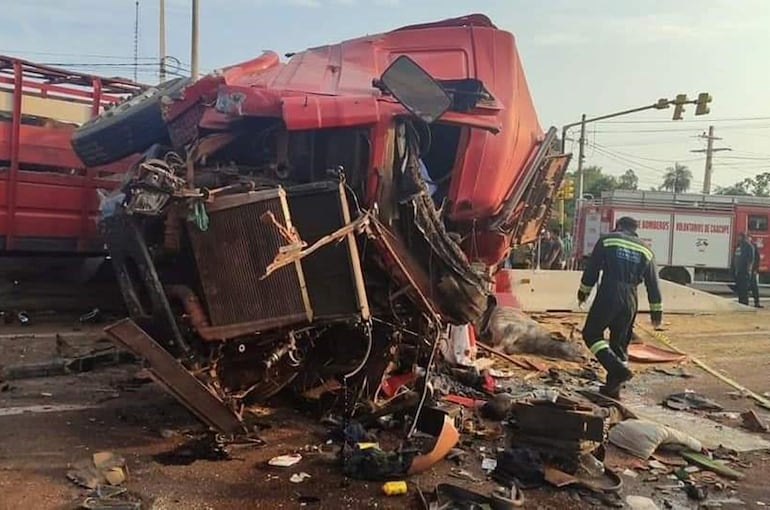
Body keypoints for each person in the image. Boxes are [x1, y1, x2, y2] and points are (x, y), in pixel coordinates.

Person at [577, 216, 662, 400]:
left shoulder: (607, 239)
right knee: (620, 344)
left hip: (610, 291)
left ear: (618, 226)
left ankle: (617, 370)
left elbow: (592, 269)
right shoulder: (646, 250)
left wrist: (583, 292)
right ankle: (613, 389)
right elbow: (653, 284)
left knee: (591, 334)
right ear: (636, 229)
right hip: (631, 297)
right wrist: (657, 312)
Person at [731, 233, 754, 306]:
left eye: (740, 237)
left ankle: (744, 303)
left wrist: (748, 269)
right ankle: (740, 302)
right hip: (738, 271)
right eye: (738, 237)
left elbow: (751, 259)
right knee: (739, 288)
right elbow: (735, 258)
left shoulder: (749, 246)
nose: (738, 238)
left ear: (743, 238)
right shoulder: (738, 246)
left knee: (744, 288)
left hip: (744, 271)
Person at [749, 236, 762, 308]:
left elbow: (757, 259)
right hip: (746, 271)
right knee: (745, 287)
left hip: (752, 270)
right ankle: (745, 302)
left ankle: (756, 302)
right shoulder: (742, 246)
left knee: (754, 287)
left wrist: (755, 269)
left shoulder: (753, 246)